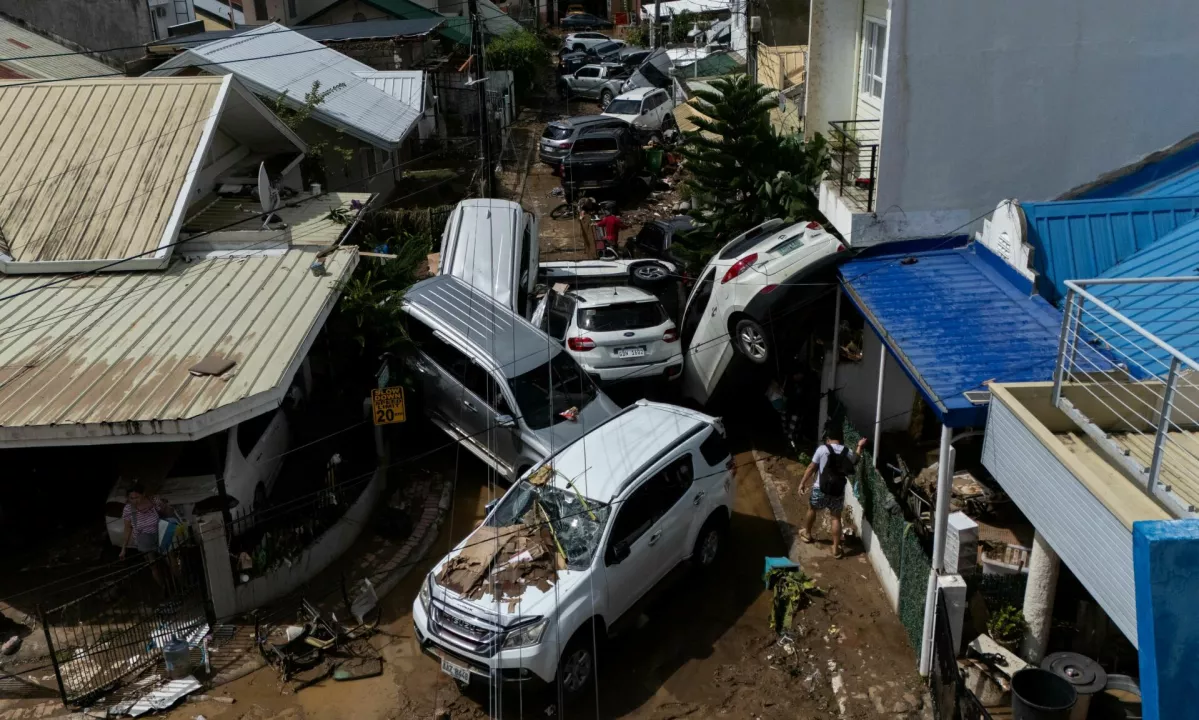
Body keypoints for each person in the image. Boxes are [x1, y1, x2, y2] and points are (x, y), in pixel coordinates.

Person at [798, 430, 868, 558]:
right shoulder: (847, 451)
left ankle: (807, 534)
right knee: (835, 517)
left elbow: (811, 467)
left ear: (828, 438)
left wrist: (802, 483)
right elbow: (855, 460)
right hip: (838, 491)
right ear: (840, 439)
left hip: (820, 488)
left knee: (812, 509)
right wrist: (859, 446)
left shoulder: (822, 449)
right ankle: (835, 549)